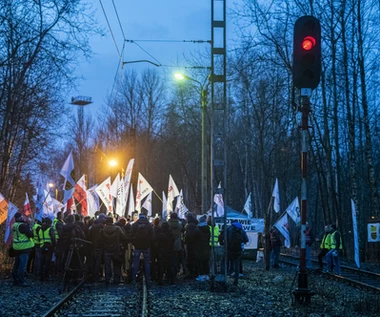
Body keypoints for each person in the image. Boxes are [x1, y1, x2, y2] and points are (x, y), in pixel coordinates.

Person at [219, 220, 248, 286]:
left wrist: (223, 244)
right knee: (236, 264)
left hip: (228, 250)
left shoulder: (228, 229)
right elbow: (246, 239)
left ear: (232, 223)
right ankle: (236, 280)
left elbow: (221, 237)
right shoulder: (241, 230)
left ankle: (223, 277)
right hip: (238, 250)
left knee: (224, 262)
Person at [100, 217, 126, 286]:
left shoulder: (103, 229)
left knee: (107, 266)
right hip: (116, 249)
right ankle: (116, 280)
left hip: (106, 249)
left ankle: (107, 280)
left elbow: (101, 239)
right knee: (116, 265)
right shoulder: (117, 228)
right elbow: (123, 237)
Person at [131, 211, 154, 285]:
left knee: (135, 262)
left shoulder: (135, 224)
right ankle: (148, 279)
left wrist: (134, 243)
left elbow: (131, 234)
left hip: (137, 246)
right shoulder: (149, 225)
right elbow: (152, 235)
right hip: (146, 246)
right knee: (147, 263)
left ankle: (133, 278)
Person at [12, 212, 34, 286]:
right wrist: (30, 225)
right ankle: (21, 281)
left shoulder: (14, 225)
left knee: (16, 264)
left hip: (16, 247)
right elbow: (31, 234)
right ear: (21, 217)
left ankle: (15, 280)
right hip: (24, 248)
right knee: (22, 265)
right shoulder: (23, 226)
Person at [168, 213, 183, 277]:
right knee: (176, 258)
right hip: (178, 244)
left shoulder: (168, 224)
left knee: (169, 259)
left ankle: (170, 272)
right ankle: (176, 270)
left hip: (169, 243)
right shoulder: (180, 224)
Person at [195, 215, 210, 282]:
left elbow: (195, 239)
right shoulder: (208, 229)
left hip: (199, 247)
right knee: (206, 262)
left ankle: (201, 276)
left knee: (200, 262)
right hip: (206, 247)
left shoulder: (197, 229)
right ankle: (206, 275)